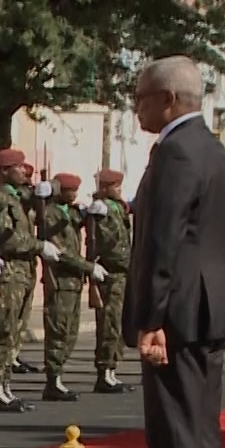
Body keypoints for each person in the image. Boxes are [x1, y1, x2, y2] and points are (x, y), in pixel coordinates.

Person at [117, 56, 225, 448]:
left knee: (174, 436)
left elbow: (161, 243)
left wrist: (151, 319)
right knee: (199, 435)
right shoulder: (212, 148)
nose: (137, 106)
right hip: (210, 306)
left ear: (169, 99)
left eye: (142, 96)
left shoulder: (174, 151)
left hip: (179, 315)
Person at [0, 148, 39, 412]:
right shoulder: (0, 200)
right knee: (3, 331)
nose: (24, 171)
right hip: (9, 272)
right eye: (18, 167)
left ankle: (5, 385)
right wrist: (39, 245)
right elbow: (11, 238)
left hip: (23, 272)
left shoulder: (17, 197)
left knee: (15, 332)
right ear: (4, 171)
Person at [36, 172, 93, 401]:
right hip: (60, 281)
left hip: (73, 282)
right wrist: (89, 267)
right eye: (71, 190)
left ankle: (58, 375)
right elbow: (62, 252)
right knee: (58, 331)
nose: (75, 195)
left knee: (70, 332)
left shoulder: (68, 212)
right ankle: (53, 379)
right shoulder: (50, 214)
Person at [87, 169, 134, 394]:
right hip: (111, 274)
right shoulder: (101, 210)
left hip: (122, 274)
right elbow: (105, 244)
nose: (119, 190)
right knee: (109, 324)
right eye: (115, 186)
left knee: (119, 325)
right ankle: (104, 372)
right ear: (104, 188)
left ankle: (112, 370)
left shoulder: (117, 207)